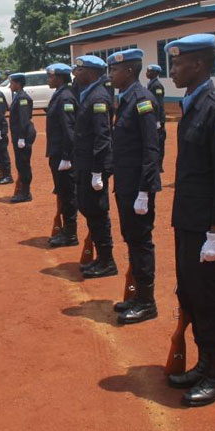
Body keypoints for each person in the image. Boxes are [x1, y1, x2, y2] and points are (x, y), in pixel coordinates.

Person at [163, 34, 215, 407]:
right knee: (193, 296)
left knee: (214, 300)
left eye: (178, 63)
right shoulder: (192, 105)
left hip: (210, 229)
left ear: (198, 64)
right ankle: (203, 363)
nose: (173, 70)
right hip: (189, 224)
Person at [108, 48, 161, 325]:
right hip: (126, 185)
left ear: (129, 71)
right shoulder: (126, 99)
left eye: (114, 70)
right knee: (132, 240)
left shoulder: (142, 100)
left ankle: (147, 302)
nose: (111, 75)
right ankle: (139, 295)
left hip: (138, 188)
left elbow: (151, 149)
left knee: (141, 243)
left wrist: (144, 190)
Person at [72, 56, 116, 279]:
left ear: (90, 72)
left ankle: (107, 261)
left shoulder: (98, 97)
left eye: (79, 71)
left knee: (98, 212)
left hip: (93, 166)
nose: (75, 74)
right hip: (85, 164)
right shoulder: (88, 94)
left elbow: (102, 136)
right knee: (89, 210)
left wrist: (98, 170)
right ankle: (101, 257)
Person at [45, 63, 79, 248]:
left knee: (68, 194)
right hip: (58, 153)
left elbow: (69, 130)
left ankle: (70, 233)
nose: (48, 80)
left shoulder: (65, 97)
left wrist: (67, 156)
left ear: (60, 78)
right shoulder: (60, 93)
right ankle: (67, 230)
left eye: (51, 77)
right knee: (63, 192)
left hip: (63, 155)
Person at [8, 72, 35, 203]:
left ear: (18, 84)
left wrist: (22, 138)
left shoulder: (23, 98)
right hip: (19, 135)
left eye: (12, 83)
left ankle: (25, 193)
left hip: (22, 136)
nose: (10, 86)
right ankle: (24, 191)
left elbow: (24, 120)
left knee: (23, 164)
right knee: (20, 163)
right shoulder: (17, 96)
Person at [146, 64, 167, 172]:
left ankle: (159, 165)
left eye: (149, 71)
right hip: (154, 118)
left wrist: (158, 120)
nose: (147, 73)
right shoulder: (151, 84)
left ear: (155, 73)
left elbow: (159, 103)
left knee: (159, 141)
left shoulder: (157, 86)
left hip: (158, 119)